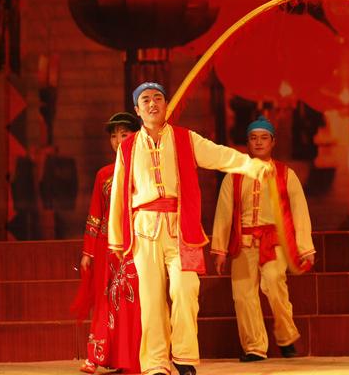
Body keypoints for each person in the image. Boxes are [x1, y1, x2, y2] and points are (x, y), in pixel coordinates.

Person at [108, 82, 272, 375]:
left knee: (185, 291)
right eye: (145, 100)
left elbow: (220, 155)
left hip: (181, 228)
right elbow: (119, 193)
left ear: (166, 105)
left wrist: (251, 166)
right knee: (151, 300)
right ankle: (156, 363)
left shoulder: (185, 139)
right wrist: (117, 240)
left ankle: (184, 357)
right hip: (144, 229)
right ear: (137, 110)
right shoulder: (128, 148)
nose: (152, 103)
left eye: (158, 98)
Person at [211, 115, 315, 362]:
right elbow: (224, 212)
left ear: (273, 142)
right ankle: (254, 347)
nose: (258, 142)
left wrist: (305, 248)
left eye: (264, 138)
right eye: (254, 138)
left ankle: (286, 337)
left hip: (273, 242)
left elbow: (299, 211)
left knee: (275, 284)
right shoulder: (234, 175)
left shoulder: (285, 174)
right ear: (247, 142)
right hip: (243, 242)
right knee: (243, 295)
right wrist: (220, 250)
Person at [72, 112, 141, 374]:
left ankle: (130, 357)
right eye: (114, 136)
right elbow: (95, 214)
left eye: (124, 134)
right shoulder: (104, 174)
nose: (118, 140)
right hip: (106, 246)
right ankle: (96, 355)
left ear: (136, 136)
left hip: (136, 243)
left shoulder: (144, 171)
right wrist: (88, 251)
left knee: (132, 301)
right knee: (106, 299)